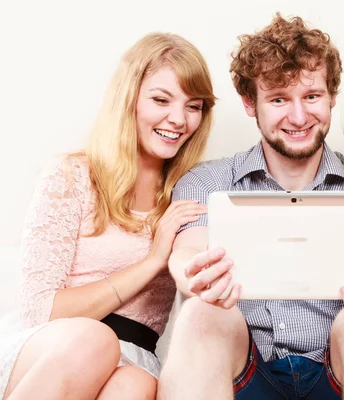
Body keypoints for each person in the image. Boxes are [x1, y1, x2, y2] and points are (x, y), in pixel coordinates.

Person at [158, 15, 344, 400]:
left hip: (338, 372)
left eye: (311, 97)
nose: (298, 117)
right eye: (279, 99)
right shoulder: (206, 182)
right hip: (248, 370)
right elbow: (188, 250)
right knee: (200, 313)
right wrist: (191, 274)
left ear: (330, 96)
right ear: (250, 103)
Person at [0, 32, 216, 400]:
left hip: (134, 357)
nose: (178, 119)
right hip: (55, 348)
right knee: (95, 339)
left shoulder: (189, 194)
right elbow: (42, 310)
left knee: (136, 386)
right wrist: (152, 262)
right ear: (129, 98)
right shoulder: (71, 176)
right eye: (161, 99)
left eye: (193, 106)